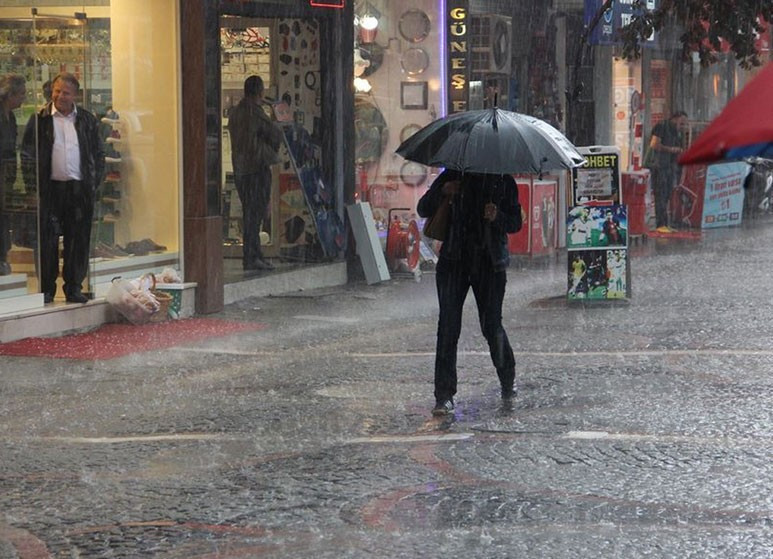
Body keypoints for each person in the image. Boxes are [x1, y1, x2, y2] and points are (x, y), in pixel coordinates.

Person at [417, 169, 521, 416]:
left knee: (491, 326)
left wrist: (498, 216)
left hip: (490, 263)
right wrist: (443, 191)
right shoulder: (453, 175)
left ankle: (507, 379)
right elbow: (423, 208)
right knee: (448, 327)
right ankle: (444, 395)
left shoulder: (503, 180)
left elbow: (515, 222)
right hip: (454, 261)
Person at [22, 72, 104, 304]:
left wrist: (93, 184)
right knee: (47, 240)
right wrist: (32, 190)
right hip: (50, 190)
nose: (60, 96)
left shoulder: (87, 120)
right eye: (57, 91)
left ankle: (74, 287)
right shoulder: (40, 120)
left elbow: (98, 155)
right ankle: (46, 288)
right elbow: (28, 157)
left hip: (79, 191)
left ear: (75, 95)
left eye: (66, 92)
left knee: (78, 240)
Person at [228, 75, 284, 271]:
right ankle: (253, 256)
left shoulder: (236, 113)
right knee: (256, 214)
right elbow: (275, 133)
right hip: (256, 168)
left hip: (241, 169)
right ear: (260, 92)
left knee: (249, 212)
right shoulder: (256, 112)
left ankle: (251, 255)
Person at [0, 74, 26, 276]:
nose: (23, 98)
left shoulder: (11, 117)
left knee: (4, 216)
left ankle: (3, 257)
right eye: (21, 94)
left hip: (6, 174)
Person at [648, 111, 688, 231]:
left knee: (667, 195)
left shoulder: (676, 132)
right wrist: (671, 149)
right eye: (681, 123)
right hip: (659, 166)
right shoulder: (662, 126)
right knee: (660, 195)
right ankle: (660, 224)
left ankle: (666, 223)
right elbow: (654, 144)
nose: (682, 126)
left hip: (669, 167)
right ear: (675, 119)